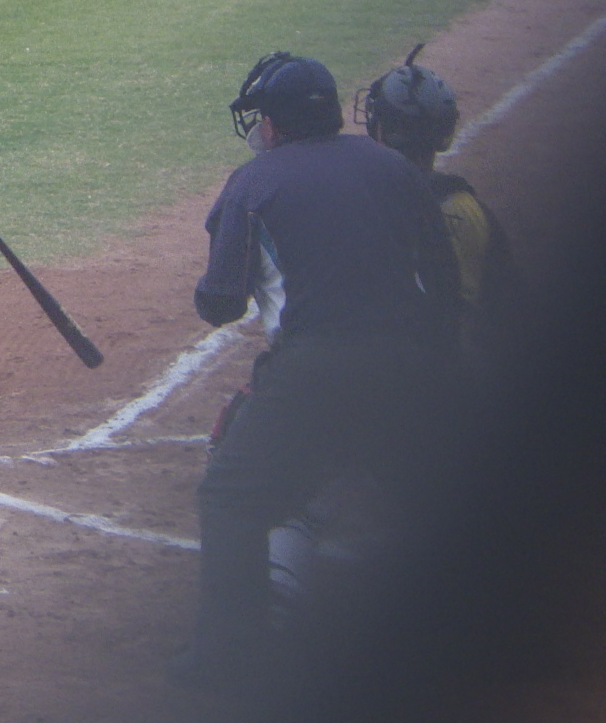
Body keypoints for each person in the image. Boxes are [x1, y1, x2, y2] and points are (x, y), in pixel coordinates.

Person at [169, 52, 460, 692]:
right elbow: (443, 282)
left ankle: (228, 657)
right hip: (412, 359)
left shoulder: (254, 183)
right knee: (426, 498)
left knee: (232, 499)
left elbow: (221, 303)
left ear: (273, 123)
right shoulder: (391, 166)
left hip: (315, 368)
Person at [357, 44, 519, 370]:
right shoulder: (471, 211)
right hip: (456, 377)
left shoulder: (356, 205)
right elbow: (508, 311)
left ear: (380, 130)